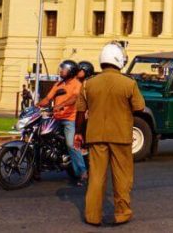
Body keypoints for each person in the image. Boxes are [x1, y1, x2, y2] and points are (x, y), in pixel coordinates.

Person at [75, 43, 145, 227]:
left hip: (95, 135)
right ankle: (122, 213)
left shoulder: (88, 84)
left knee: (96, 177)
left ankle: (92, 216)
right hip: (121, 135)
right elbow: (139, 107)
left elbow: (80, 112)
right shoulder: (129, 83)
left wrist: (78, 134)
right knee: (122, 177)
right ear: (119, 61)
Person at [38, 60, 87, 185]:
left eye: (63, 69)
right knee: (39, 137)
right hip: (55, 118)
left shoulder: (77, 84)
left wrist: (61, 105)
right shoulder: (58, 84)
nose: (61, 71)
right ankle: (36, 169)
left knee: (71, 144)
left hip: (70, 119)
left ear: (70, 71)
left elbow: (75, 98)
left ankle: (82, 172)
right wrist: (37, 106)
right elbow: (48, 98)